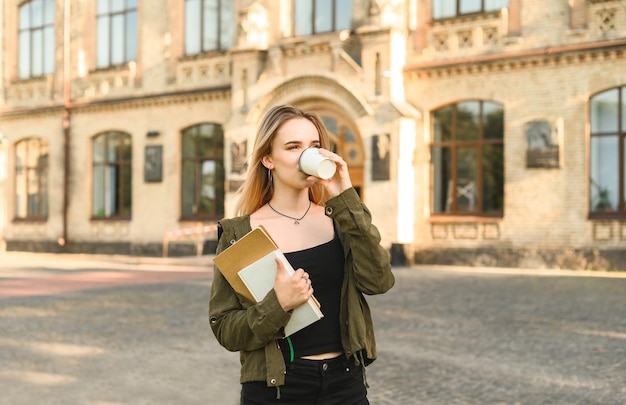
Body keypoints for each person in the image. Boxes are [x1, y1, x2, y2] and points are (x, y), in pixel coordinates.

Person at [209, 104, 395, 405]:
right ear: (268, 158)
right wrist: (278, 304)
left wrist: (346, 197)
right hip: (279, 388)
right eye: (293, 147)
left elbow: (380, 281)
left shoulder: (340, 219)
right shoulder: (240, 234)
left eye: (315, 146)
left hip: (345, 383)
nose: (307, 155)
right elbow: (226, 329)